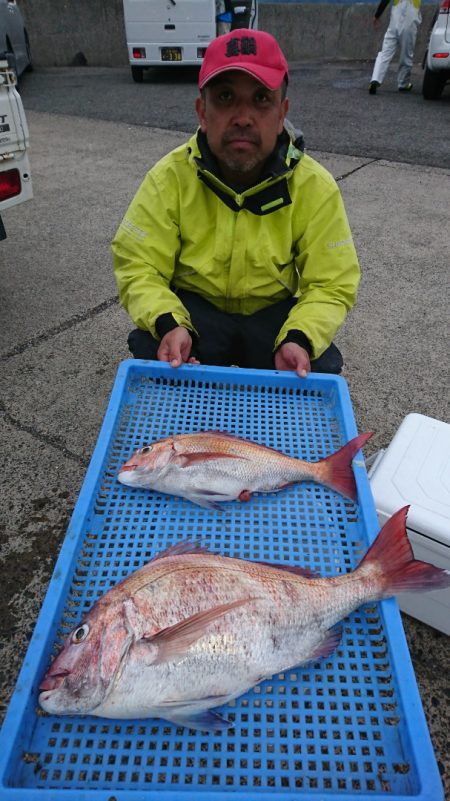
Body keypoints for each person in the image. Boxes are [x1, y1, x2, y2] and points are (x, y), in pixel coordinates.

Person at [112, 29, 360, 378]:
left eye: (261, 99)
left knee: (319, 362)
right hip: (197, 314)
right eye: (226, 97)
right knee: (152, 345)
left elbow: (333, 283)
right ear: (202, 111)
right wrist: (169, 322)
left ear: (281, 113)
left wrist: (300, 336)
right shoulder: (168, 178)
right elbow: (138, 265)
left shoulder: (315, 186)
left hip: (272, 315)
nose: (243, 117)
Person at [368, 0, 421, 94]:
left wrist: (377, 15)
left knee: (385, 52)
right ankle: (403, 84)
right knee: (406, 55)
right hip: (410, 20)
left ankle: (375, 79)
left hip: (395, 20)